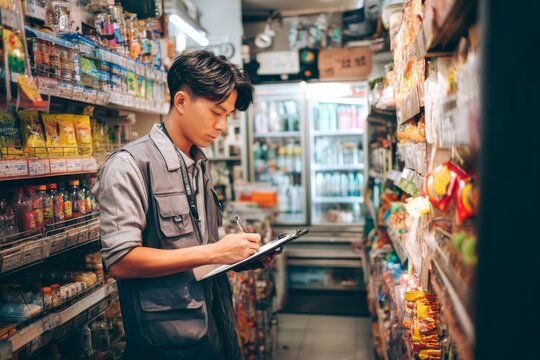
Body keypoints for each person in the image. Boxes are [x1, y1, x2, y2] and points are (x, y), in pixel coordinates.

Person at [93, 50, 263, 360]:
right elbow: (121, 261)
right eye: (216, 112)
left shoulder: (198, 164)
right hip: (166, 343)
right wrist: (216, 251)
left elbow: (197, 251)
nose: (222, 125)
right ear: (181, 102)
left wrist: (238, 256)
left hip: (215, 330)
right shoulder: (130, 165)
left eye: (227, 115)